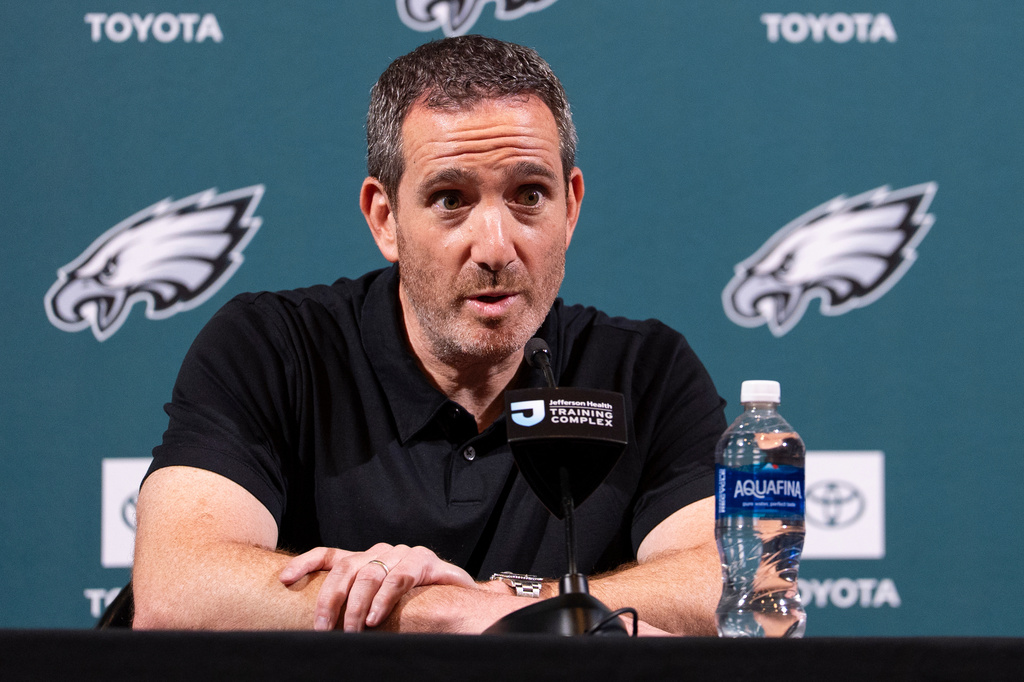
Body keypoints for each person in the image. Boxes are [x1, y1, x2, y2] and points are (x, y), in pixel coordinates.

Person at [132, 35, 726, 635]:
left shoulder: (647, 371)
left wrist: (495, 602)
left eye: (529, 195)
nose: (495, 247)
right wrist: (439, 611)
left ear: (570, 206)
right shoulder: (272, 348)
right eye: (450, 199)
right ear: (385, 219)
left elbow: (737, 592)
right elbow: (177, 589)